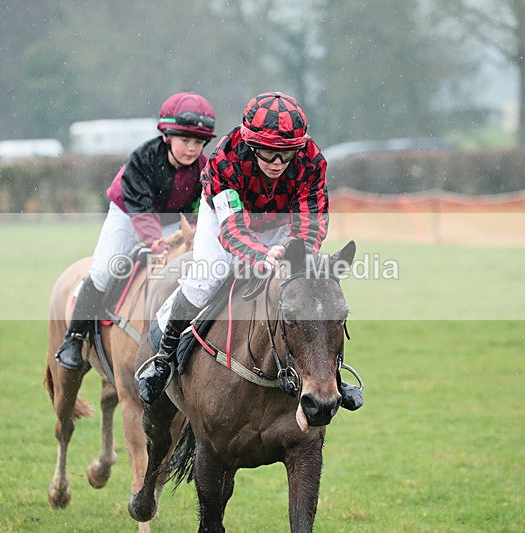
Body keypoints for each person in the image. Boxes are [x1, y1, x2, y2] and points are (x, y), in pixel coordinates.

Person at [137, 91, 363, 411]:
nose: (277, 164)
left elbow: (311, 219)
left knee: (311, 291)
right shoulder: (225, 158)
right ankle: (163, 358)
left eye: (286, 155)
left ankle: (334, 377)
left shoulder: (312, 160)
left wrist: (297, 251)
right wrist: (260, 255)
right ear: (251, 144)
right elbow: (232, 228)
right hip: (226, 219)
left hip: (282, 223)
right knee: (206, 281)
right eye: (268, 154)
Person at [55, 92, 217, 371]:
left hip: (168, 220)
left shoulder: (203, 168)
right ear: (167, 136)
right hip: (128, 215)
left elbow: (200, 209)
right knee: (105, 270)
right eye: (185, 141)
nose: (192, 148)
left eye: (199, 142)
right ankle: (74, 339)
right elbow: (140, 207)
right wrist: (154, 241)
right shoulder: (143, 158)